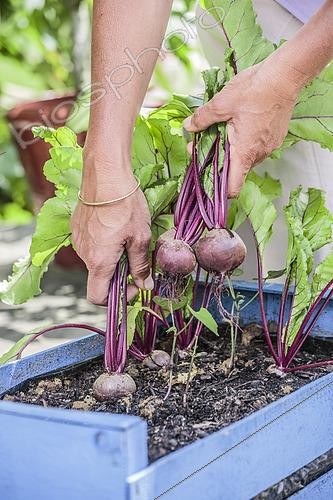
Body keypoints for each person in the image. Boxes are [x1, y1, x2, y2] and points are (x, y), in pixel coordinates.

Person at [71, 0, 333, 305]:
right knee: (257, 285)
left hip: (312, 29)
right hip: (241, 14)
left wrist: (283, 80)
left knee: (309, 279)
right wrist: (104, 175)